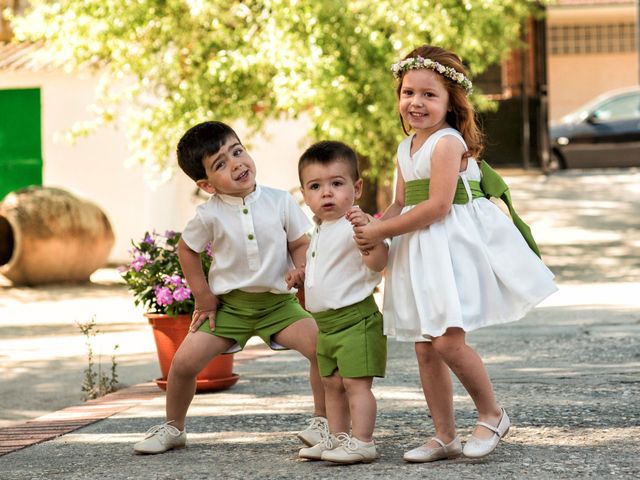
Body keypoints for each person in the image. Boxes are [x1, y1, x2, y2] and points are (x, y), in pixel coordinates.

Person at [353, 45, 558, 462]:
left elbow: (437, 206)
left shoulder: (447, 143)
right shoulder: (404, 147)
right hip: (418, 248)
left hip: (449, 245)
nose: (416, 102)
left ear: (451, 102)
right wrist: (371, 230)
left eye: (429, 94)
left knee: (447, 341)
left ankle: (492, 414)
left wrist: (383, 229)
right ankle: (445, 436)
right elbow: (401, 202)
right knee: (426, 346)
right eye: (408, 92)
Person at [133, 121, 327, 454]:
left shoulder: (280, 201)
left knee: (324, 350)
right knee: (182, 365)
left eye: (237, 151)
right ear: (207, 185)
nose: (236, 163)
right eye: (221, 163)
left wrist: (302, 268)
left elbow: (299, 242)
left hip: (279, 307)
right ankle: (173, 427)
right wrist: (204, 296)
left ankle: (324, 422)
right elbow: (187, 249)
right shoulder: (209, 214)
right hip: (229, 309)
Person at [293, 141, 388, 464]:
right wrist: (302, 275)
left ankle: (363, 440)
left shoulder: (355, 224)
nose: (326, 193)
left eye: (337, 183)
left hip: (355, 320)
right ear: (305, 195)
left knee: (355, 385)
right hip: (327, 325)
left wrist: (370, 238)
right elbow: (327, 269)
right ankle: (338, 438)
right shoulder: (320, 229)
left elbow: (377, 262)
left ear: (356, 187)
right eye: (316, 186)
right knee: (331, 383)